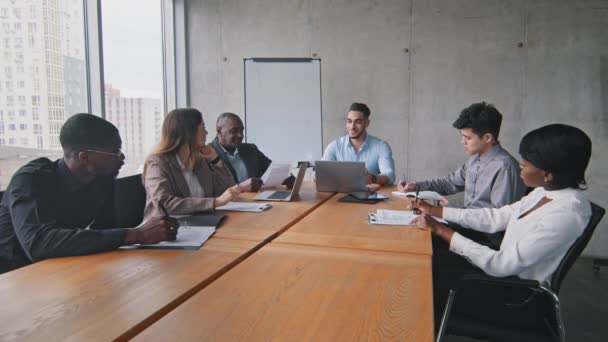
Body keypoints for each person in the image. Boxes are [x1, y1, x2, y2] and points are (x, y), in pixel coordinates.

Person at [410, 124, 593, 330]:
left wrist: (443, 230)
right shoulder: (545, 191)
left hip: (516, 298)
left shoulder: (567, 213)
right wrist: (438, 213)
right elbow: (497, 217)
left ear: (548, 173)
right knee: (425, 256)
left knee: (419, 276)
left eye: (527, 163)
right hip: (502, 279)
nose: (520, 164)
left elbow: (500, 265)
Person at [0, 114, 179, 273]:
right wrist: (136, 234)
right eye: (115, 151)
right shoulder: (31, 179)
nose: (122, 157)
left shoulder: (102, 179)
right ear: (84, 157)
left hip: (62, 269)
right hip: (15, 275)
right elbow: (37, 243)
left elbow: (105, 230)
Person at [399, 102, 525, 209]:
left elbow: (498, 217)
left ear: (487, 138)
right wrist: (417, 186)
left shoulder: (505, 167)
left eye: (467, 138)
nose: (462, 142)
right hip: (466, 224)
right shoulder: (475, 159)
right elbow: (450, 183)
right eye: (462, 136)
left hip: (484, 236)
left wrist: (452, 206)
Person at [143, 108, 240, 221]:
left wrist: (216, 160)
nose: (206, 132)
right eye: (203, 127)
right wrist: (215, 202)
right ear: (189, 132)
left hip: (202, 223)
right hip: (168, 229)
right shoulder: (157, 162)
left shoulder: (199, 159)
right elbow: (164, 203)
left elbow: (228, 191)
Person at [210, 112, 294, 192]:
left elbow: (271, 170)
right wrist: (241, 187)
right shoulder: (207, 155)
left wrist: (285, 177)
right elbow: (212, 191)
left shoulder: (250, 149)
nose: (240, 135)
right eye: (234, 131)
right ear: (219, 131)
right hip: (226, 204)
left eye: (241, 130)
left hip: (255, 202)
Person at [322, 102, 395, 190]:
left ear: (367, 123)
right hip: (340, 197)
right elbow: (319, 173)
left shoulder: (381, 146)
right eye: (349, 121)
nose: (352, 126)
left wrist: (372, 178)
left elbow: (390, 176)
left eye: (358, 122)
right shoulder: (334, 146)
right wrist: (318, 177)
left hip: (370, 198)